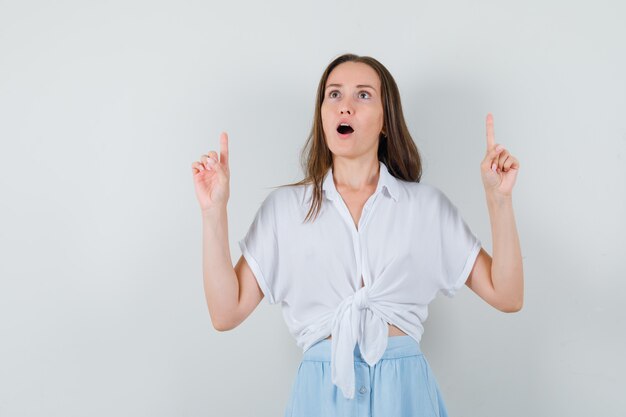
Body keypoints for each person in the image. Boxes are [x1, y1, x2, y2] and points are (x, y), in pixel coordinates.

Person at [191, 53, 523, 417]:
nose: (344, 107)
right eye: (334, 95)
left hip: (405, 396)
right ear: (322, 115)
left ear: (385, 119)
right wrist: (214, 212)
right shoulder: (285, 210)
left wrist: (498, 199)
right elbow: (225, 313)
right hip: (321, 399)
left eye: (363, 95)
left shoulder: (425, 207)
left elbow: (507, 295)